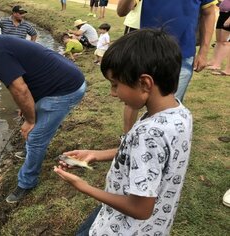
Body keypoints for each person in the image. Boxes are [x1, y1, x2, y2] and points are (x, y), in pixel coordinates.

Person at [54, 28, 193, 236]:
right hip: (154, 226)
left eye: (115, 85)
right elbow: (148, 156)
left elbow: (140, 208)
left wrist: (84, 187)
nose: (112, 93)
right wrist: (97, 155)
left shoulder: (149, 133)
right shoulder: (179, 113)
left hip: (123, 229)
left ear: (145, 83)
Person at [0, 27, 86, 203]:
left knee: (36, 136)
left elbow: (20, 89)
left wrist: (30, 121)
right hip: (64, 79)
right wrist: (26, 108)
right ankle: (28, 152)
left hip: (67, 90)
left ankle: (26, 183)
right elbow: (24, 80)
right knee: (31, 115)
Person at [117, 0, 216, 134]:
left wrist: (203, 52)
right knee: (133, 99)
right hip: (146, 51)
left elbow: (209, 13)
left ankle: (158, 140)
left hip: (183, 55)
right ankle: (127, 139)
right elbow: (121, 11)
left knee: (168, 106)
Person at [207, 0, 230, 74]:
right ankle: (214, 61)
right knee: (219, 41)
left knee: (225, 42)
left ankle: (217, 64)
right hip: (222, 13)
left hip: (228, 15)